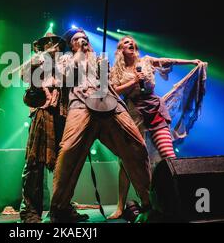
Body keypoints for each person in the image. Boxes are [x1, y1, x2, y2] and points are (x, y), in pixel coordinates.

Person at [49, 28, 152, 223]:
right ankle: (58, 210)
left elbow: (108, 84)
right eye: (79, 39)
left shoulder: (99, 59)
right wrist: (79, 54)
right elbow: (65, 78)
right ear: (72, 44)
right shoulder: (66, 60)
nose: (84, 41)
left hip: (109, 104)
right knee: (69, 150)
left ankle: (148, 205)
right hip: (80, 105)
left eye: (85, 39)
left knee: (136, 146)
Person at [108, 35, 207, 220]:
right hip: (133, 114)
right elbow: (113, 92)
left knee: (169, 156)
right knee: (128, 162)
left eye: (132, 43)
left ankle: (179, 198)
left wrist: (192, 61)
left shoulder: (145, 61)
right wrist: (133, 81)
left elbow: (166, 61)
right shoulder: (116, 71)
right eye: (126, 43)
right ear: (120, 49)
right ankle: (121, 205)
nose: (131, 44)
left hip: (154, 110)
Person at [19, 33, 69, 223]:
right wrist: (39, 60)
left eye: (55, 42)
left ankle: (62, 208)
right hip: (42, 114)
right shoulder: (36, 62)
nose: (51, 44)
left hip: (63, 115)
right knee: (35, 164)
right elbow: (23, 76)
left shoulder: (66, 63)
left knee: (64, 164)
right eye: (47, 42)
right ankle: (30, 211)